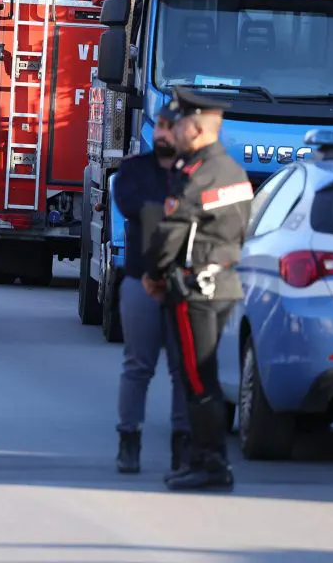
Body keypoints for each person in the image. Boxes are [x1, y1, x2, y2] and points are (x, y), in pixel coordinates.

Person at [141, 86, 252, 492]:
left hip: (195, 288)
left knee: (197, 378)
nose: (178, 128)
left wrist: (154, 274)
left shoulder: (200, 172)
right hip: (219, 284)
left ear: (200, 126)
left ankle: (210, 463)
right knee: (199, 376)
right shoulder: (231, 170)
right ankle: (204, 459)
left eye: (183, 121)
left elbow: (172, 231)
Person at [111, 100, 190, 475]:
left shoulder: (196, 172)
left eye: (169, 126)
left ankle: (182, 446)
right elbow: (134, 206)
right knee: (138, 366)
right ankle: (129, 441)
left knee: (182, 369)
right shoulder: (133, 170)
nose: (161, 132)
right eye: (158, 125)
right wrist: (177, 212)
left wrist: (166, 211)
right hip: (141, 282)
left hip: (185, 283)